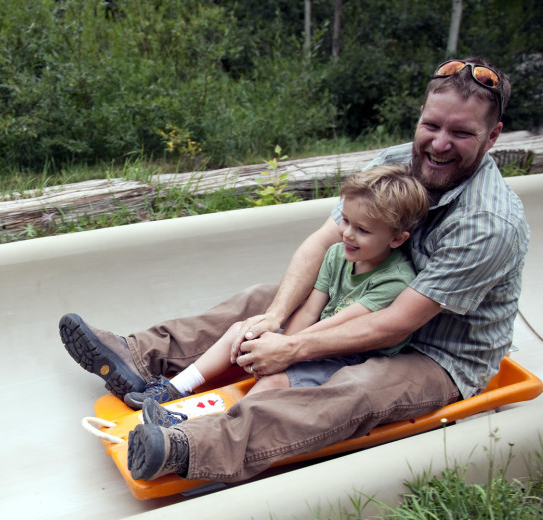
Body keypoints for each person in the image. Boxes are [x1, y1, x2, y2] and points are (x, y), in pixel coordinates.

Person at [59, 57, 529, 482]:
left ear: (492, 137)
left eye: (462, 133)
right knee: (262, 298)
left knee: (360, 388)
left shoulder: (487, 222)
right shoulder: (393, 166)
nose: (439, 143)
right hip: (360, 302)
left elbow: (396, 324)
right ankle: (138, 357)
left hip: (436, 353)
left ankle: (192, 447)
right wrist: (275, 318)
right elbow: (319, 245)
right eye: (431, 125)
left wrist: (291, 347)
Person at [121, 164, 429, 412]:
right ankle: (177, 388)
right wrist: (273, 341)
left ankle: (203, 427)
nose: (347, 233)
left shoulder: (394, 280)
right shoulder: (337, 253)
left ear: (397, 238)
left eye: (362, 230)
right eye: (345, 220)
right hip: (313, 338)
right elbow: (311, 309)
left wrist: (284, 355)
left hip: (349, 355)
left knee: (274, 383)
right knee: (243, 329)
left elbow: (338, 326)